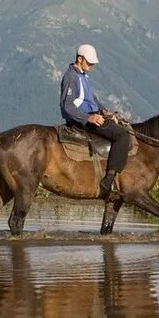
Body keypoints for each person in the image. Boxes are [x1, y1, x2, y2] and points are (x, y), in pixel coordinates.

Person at [60, 42, 130, 201]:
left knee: (122, 127)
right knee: (122, 135)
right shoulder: (71, 76)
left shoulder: (83, 75)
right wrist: (89, 118)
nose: (91, 65)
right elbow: (67, 106)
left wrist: (104, 111)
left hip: (91, 116)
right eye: (89, 62)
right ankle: (109, 179)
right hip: (82, 120)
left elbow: (92, 100)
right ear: (79, 59)